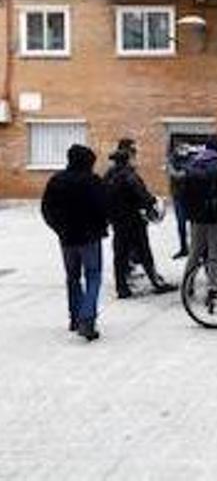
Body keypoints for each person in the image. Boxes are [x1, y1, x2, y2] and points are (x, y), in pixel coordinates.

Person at [41, 145, 108, 341]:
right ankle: (87, 318)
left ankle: (75, 317)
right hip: (90, 238)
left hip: (67, 238)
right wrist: (102, 225)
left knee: (72, 277)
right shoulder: (93, 181)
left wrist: (58, 229)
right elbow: (104, 207)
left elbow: (46, 209)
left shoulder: (56, 180)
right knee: (93, 276)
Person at [104, 139, 175, 299]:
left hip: (117, 221)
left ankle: (121, 288)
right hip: (133, 220)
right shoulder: (130, 176)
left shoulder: (109, 175)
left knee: (120, 254)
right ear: (128, 159)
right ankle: (156, 282)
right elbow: (143, 196)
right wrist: (151, 202)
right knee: (144, 252)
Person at [183, 140, 217, 304]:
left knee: (195, 251)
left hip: (197, 217)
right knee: (215, 252)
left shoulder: (194, 164)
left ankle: (187, 285)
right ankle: (215, 287)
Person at [167, 144, 191, 259]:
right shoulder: (173, 160)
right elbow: (174, 175)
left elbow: (177, 175)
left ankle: (194, 248)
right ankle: (184, 247)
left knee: (191, 224)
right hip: (179, 197)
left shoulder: (190, 161)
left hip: (188, 197)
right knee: (181, 224)